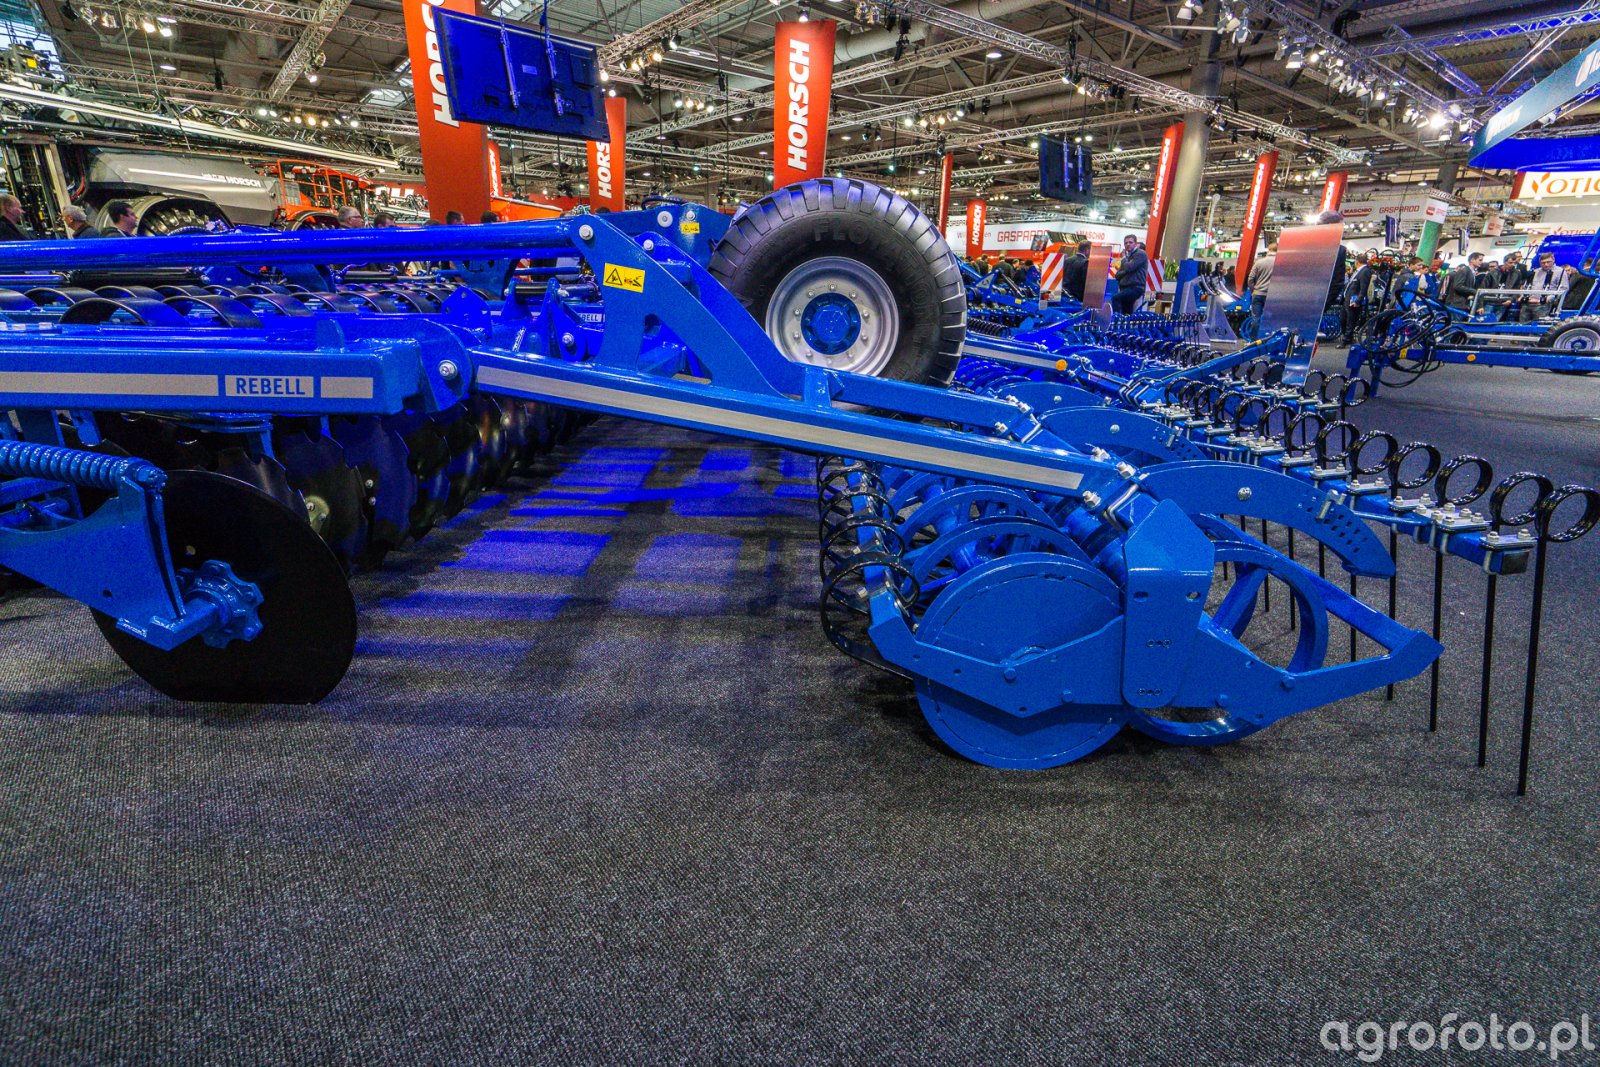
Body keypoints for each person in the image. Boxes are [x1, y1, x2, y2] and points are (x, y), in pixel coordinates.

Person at [1519, 252, 1566, 323]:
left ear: (1553, 260)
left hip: (1544, 304)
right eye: (1543, 263)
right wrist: (1522, 296)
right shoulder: (1535, 271)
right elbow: (1526, 286)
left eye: (1548, 262)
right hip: (1528, 303)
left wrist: (1548, 299)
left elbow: (1564, 289)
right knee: (1522, 325)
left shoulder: (1560, 272)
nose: (1546, 264)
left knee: (1539, 325)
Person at [1245, 240, 1277, 339]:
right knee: (1271, 318)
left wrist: (1253, 290)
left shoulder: (1259, 262)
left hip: (1258, 294)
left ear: (1269, 250)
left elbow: (1250, 279)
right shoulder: (1280, 263)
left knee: (1256, 318)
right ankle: (1270, 339)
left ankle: (1254, 340)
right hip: (1273, 295)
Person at [1113, 234, 1147, 315]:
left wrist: (1124, 259)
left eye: (1130, 242)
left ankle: (1116, 319)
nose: (1128, 244)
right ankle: (1124, 321)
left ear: (1135, 243)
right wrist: (1127, 270)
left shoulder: (1140, 254)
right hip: (1124, 288)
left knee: (1115, 298)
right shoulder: (1128, 257)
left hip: (1135, 287)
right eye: (1126, 243)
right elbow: (1117, 275)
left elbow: (1129, 267)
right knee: (1126, 312)